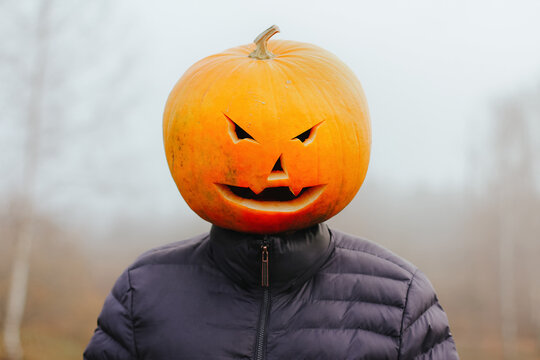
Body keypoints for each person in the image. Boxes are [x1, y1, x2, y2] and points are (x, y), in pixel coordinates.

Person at [84, 26, 459, 360]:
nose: (275, 169)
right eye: (243, 136)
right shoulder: (143, 290)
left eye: (303, 138)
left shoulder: (402, 298)